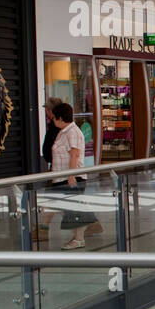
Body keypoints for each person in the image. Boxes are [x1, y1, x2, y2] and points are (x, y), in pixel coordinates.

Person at [50, 102, 101, 249]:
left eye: (54, 118)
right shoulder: (64, 131)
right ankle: (84, 229)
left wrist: (71, 175)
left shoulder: (72, 132)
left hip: (71, 177)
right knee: (67, 207)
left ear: (60, 118)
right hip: (61, 176)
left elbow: (75, 154)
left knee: (74, 208)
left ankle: (79, 238)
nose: (52, 120)